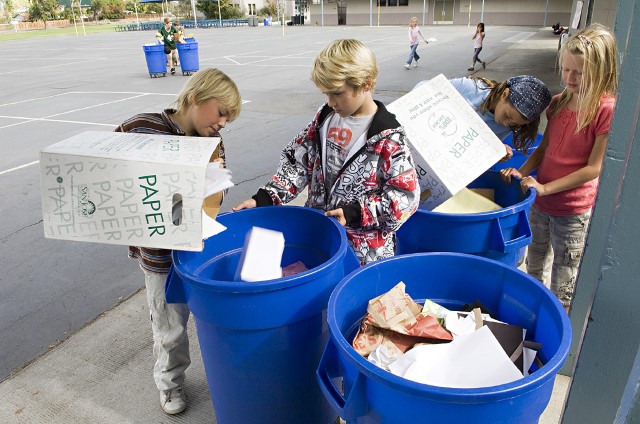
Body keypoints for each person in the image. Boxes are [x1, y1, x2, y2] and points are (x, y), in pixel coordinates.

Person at [115, 68, 242, 414]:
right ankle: (170, 384)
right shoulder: (142, 127)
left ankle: (228, 374)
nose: (223, 124)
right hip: (159, 256)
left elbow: (218, 188)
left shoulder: (211, 142)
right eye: (221, 113)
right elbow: (111, 171)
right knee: (169, 327)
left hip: (197, 250)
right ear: (197, 98)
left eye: (228, 119)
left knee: (212, 317)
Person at [233, 39, 420, 265]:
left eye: (337, 93)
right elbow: (298, 164)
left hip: (363, 255)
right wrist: (265, 197)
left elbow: (405, 199)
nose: (331, 102)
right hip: (320, 238)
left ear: (366, 84)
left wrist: (356, 212)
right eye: (326, 94)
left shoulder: (388, 139)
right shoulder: (325, 120)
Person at [500, 24, 619, 312]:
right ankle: (531, 317)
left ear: (601, 70)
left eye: (579, 72)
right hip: (541, 203)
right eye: (565, 69)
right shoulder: (558, 102)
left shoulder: (605, 109)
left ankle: (557, 324)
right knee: (534, 265)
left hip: (572, 211)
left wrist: (545, 187)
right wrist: (523, 171)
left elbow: (594, 168)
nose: (569, 77)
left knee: (563, 280)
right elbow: (543, 149)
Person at [414, 75, 552, 160]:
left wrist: (495, 151)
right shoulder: (472, 88)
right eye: (508, 116)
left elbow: (475, 150)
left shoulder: (507, 125)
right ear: (504, 94)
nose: (506, 123)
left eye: (515, 124)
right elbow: (423, 88)